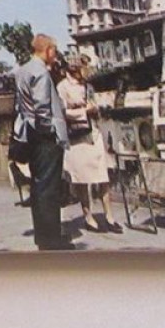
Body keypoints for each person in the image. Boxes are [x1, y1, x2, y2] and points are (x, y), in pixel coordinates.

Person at [14, 33, 72, 250]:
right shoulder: (40, 72)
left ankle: (44, 236)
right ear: (47, 50)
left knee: (39, 188)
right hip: (45, 136)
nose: (55, 55)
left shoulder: (22, 70)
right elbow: (42, 106)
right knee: (49, 189)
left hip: (30, 134)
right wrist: (49, 131)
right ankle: (52, 240)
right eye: (54, 51)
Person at [56, 55, 121, 235]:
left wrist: (97, 108)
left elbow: (94, 103)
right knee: (83, 177)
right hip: (77, 135)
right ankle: (88, 216)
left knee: (102, 173)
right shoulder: (63, 87)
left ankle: (109, 216)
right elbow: (61, 111)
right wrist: (82, 110)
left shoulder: (88, 86)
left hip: (93, 132)